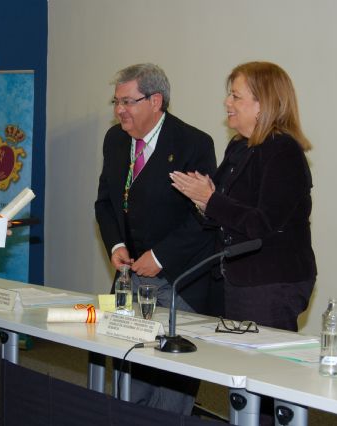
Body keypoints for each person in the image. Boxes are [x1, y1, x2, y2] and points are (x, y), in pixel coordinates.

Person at [95, 63, 216, 415]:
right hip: (129, 280)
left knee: (168, 394)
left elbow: (204, 217)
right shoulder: (115, 140)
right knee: (129, 387)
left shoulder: (193, 143)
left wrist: (160, 257)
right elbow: (105, 202)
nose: (119, 110)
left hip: (178, 282)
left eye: (127, 102)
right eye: (116, 101)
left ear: (155, 101)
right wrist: (116, 246)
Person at [170, 61, 317, 333]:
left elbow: (263, 223)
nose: (227, 102)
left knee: (262, 368)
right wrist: (202, 201)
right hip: (236, 278)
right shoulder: (239, 146)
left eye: (236, 96)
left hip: (270, 282)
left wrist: (210, 200)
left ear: (262, 104)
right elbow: (224, 210)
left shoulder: (283, 152)